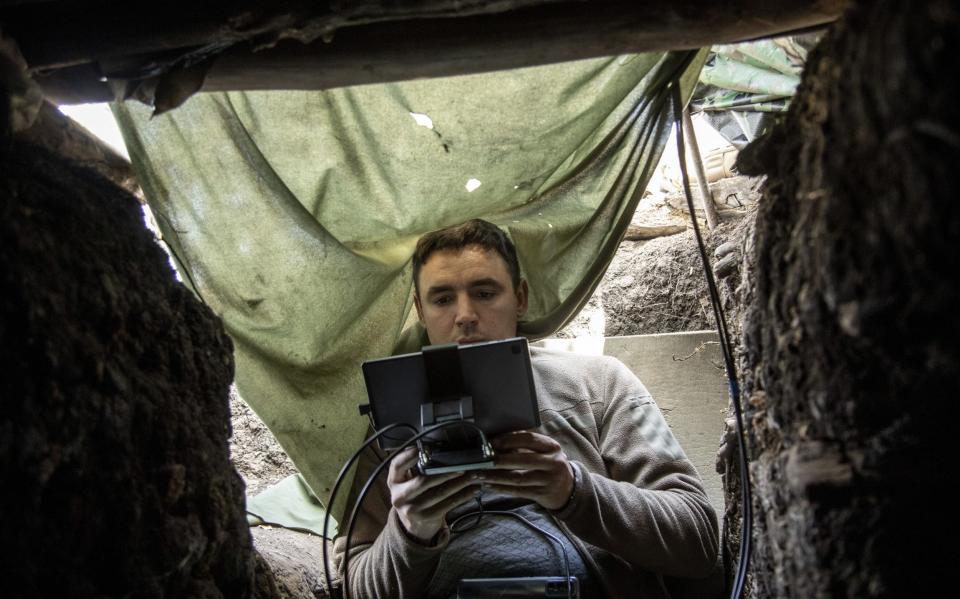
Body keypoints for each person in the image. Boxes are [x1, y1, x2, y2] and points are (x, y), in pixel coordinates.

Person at [333, 219, 719, 598]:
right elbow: (354, 584)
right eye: (443, 298)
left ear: (520, 298)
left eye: (484, 293)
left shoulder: (600, 382)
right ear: (420, 309)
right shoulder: (391, 423)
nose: (464, 314)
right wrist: (411, 530)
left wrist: (573, 490)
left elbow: (699, 540)